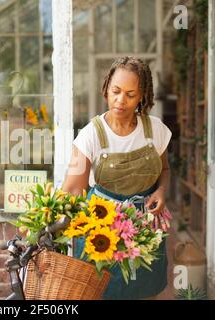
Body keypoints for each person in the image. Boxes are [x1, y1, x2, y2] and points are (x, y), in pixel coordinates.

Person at [62, 56, 172, 300]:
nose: (121, 100)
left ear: (142, 95)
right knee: (104, 291)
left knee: (145, 291)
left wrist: (161, 192)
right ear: (105, 89)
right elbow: (72, 190)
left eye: (131, 94)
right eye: (116, 91)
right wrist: (49, 226)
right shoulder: (90, 135)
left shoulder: (156, 130)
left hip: (146, 226)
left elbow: (164, 171)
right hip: (103, 229)